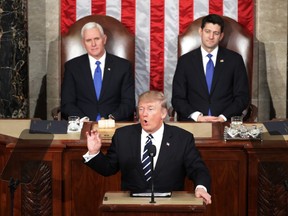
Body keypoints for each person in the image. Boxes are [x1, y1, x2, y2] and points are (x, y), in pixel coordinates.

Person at [83, 90, 212, 205]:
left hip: (170, 206)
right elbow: (108, 168)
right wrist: (94, 153)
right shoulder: (123, 136)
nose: (144, 114)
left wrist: (201, 187)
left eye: (150, 109)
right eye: (141, 109)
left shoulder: (182, 138)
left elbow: (198, 169)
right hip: (132, 206)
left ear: (163, 113)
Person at [172, 14, 250, 122]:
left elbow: (242, 97)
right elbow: (177, 98)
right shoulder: (185, 61)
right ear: (200, 32)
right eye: (207, 31)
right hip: (194, 122)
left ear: (221, 36)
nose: (211, 37)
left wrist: (223, 117)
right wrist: (196, 116)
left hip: (225, 122)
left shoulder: (235, 60)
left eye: (216, 33)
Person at [61, 22, 135, 121]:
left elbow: (128, 102)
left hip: (114, 123)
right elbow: (67, 103)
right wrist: (84, 119)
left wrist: (112, 118)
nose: (93, 44)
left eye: (96, 39)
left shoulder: (123, 66)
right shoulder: (72, 67)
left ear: (104, 39)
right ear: (83, 43)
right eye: (88, 40)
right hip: (83, 124)